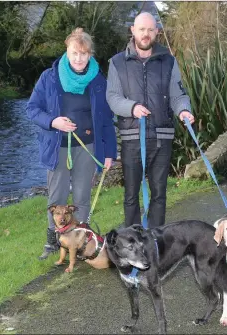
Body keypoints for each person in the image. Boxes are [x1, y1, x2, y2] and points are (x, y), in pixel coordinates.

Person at [26, 27, 117, 260]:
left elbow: (107, 120)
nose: (78, 58)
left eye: (83, 54)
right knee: (56, 196)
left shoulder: (98, 80)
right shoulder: (49, 77)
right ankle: (52, 241)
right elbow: (32, 109)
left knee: (81, 195)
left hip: (88, 147)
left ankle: (82, 239)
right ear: (67, 51)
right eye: (74, 53)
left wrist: (108, 153)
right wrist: (53, 121)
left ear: (90, 55)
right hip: (57, 146)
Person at [106, 12, 195, 229]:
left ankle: (156, 244)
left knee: (159, 194)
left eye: (150, 30)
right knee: (131, 195)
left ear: (156, 31)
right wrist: (132, 107)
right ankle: (131, 243)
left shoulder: (169, 61)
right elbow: (112, 97)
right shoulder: (117, 62)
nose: (146, 34)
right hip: (131, 137)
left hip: (162, 138)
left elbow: (178, 95)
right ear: (133, 31)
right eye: (142, 29)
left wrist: (183, 110)